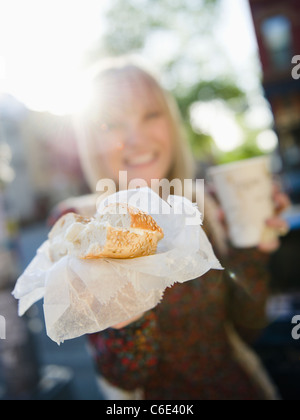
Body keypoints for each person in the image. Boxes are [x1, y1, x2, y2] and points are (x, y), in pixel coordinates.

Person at [52, 56, 291, 400]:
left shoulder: (206, 204)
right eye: (112, 124)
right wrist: (126, 317)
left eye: (151, 115)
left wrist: (251, 249)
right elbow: (122, 376)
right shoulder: (79, 226)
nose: (136, 138)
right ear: (91, 139)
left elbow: (249, 329)